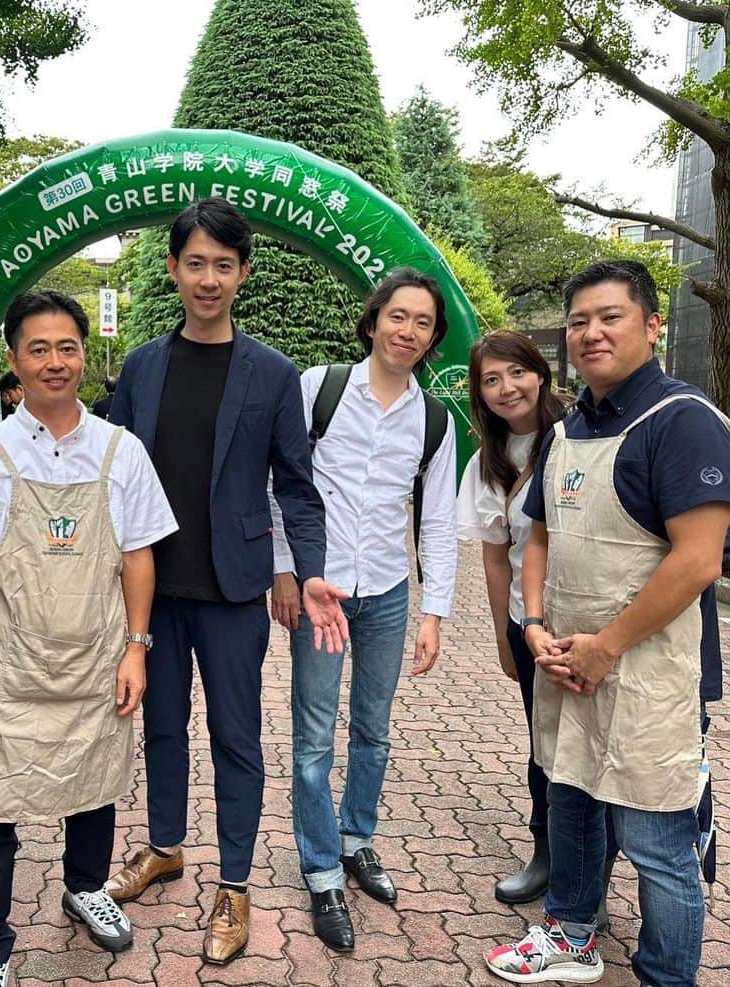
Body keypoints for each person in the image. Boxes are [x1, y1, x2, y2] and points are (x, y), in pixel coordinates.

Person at [105, 197, 348, 965]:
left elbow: (296, 486)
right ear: (173, 268)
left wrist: (306, 572)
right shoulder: (142, 365)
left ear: (243, 273)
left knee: (236, 736)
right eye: (195, 263)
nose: (208, 278)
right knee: (162, 727)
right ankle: (166, 846)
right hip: (153, 586)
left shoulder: (272, 373)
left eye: (224, 264)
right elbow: (110, 468)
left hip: (235, 589)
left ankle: (235, 883)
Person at [485, 260, 730, 986]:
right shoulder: (569, 430)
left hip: (645, 674)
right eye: (579, 321)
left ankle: (665, 974)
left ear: (653, 326)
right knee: (573, 807)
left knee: (656, 840)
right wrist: (532, 626)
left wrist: (606, 646)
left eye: (610, 316)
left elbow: (697, 561)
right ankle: (570, 933)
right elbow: (537, 536)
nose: (590, 333)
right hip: (564, 660)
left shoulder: (683, 421)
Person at [0, 290, 177, 987]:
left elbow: (138, 554)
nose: (54, 361)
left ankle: (85, 885)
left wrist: (137, 644)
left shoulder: (119, 449)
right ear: (13, 360)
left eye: (66, 347)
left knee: (94, 781)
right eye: (37, 348)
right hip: (5, 664)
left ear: (84, 354)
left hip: (95, 655)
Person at [270, 267, 457, 951]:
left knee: (374, 730)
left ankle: (357, 840)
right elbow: (278, 484)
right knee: (315, 737)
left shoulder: (434, 419)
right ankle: (321, 871)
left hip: (385, 593)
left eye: (423, 322)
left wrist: (434, 611)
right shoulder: (318, 389)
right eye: (397, 316)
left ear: (433, 336)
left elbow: (436, 521)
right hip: (322, 594)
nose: (407, 331)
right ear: (373, 318)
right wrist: (284, 571)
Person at [457, 331, 568, 907]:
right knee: (543, 742)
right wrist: (507, 632)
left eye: (517, 373)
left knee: (598, 748)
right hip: (532, 623)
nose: (507, 389)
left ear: (540, 372)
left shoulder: (578, 435)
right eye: (491, 380)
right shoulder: (489, 461)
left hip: (592, 616)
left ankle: (592, 870)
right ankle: (547, 853)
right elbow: (496, 554)